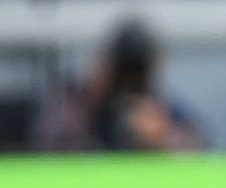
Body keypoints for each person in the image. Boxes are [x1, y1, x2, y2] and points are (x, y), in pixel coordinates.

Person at [37, 19, 203, 152]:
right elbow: (46, 143)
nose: (129, 78)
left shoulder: (157, 102)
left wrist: (162, 136)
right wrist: (89, 101)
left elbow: (198, 144)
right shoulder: (80, 97)